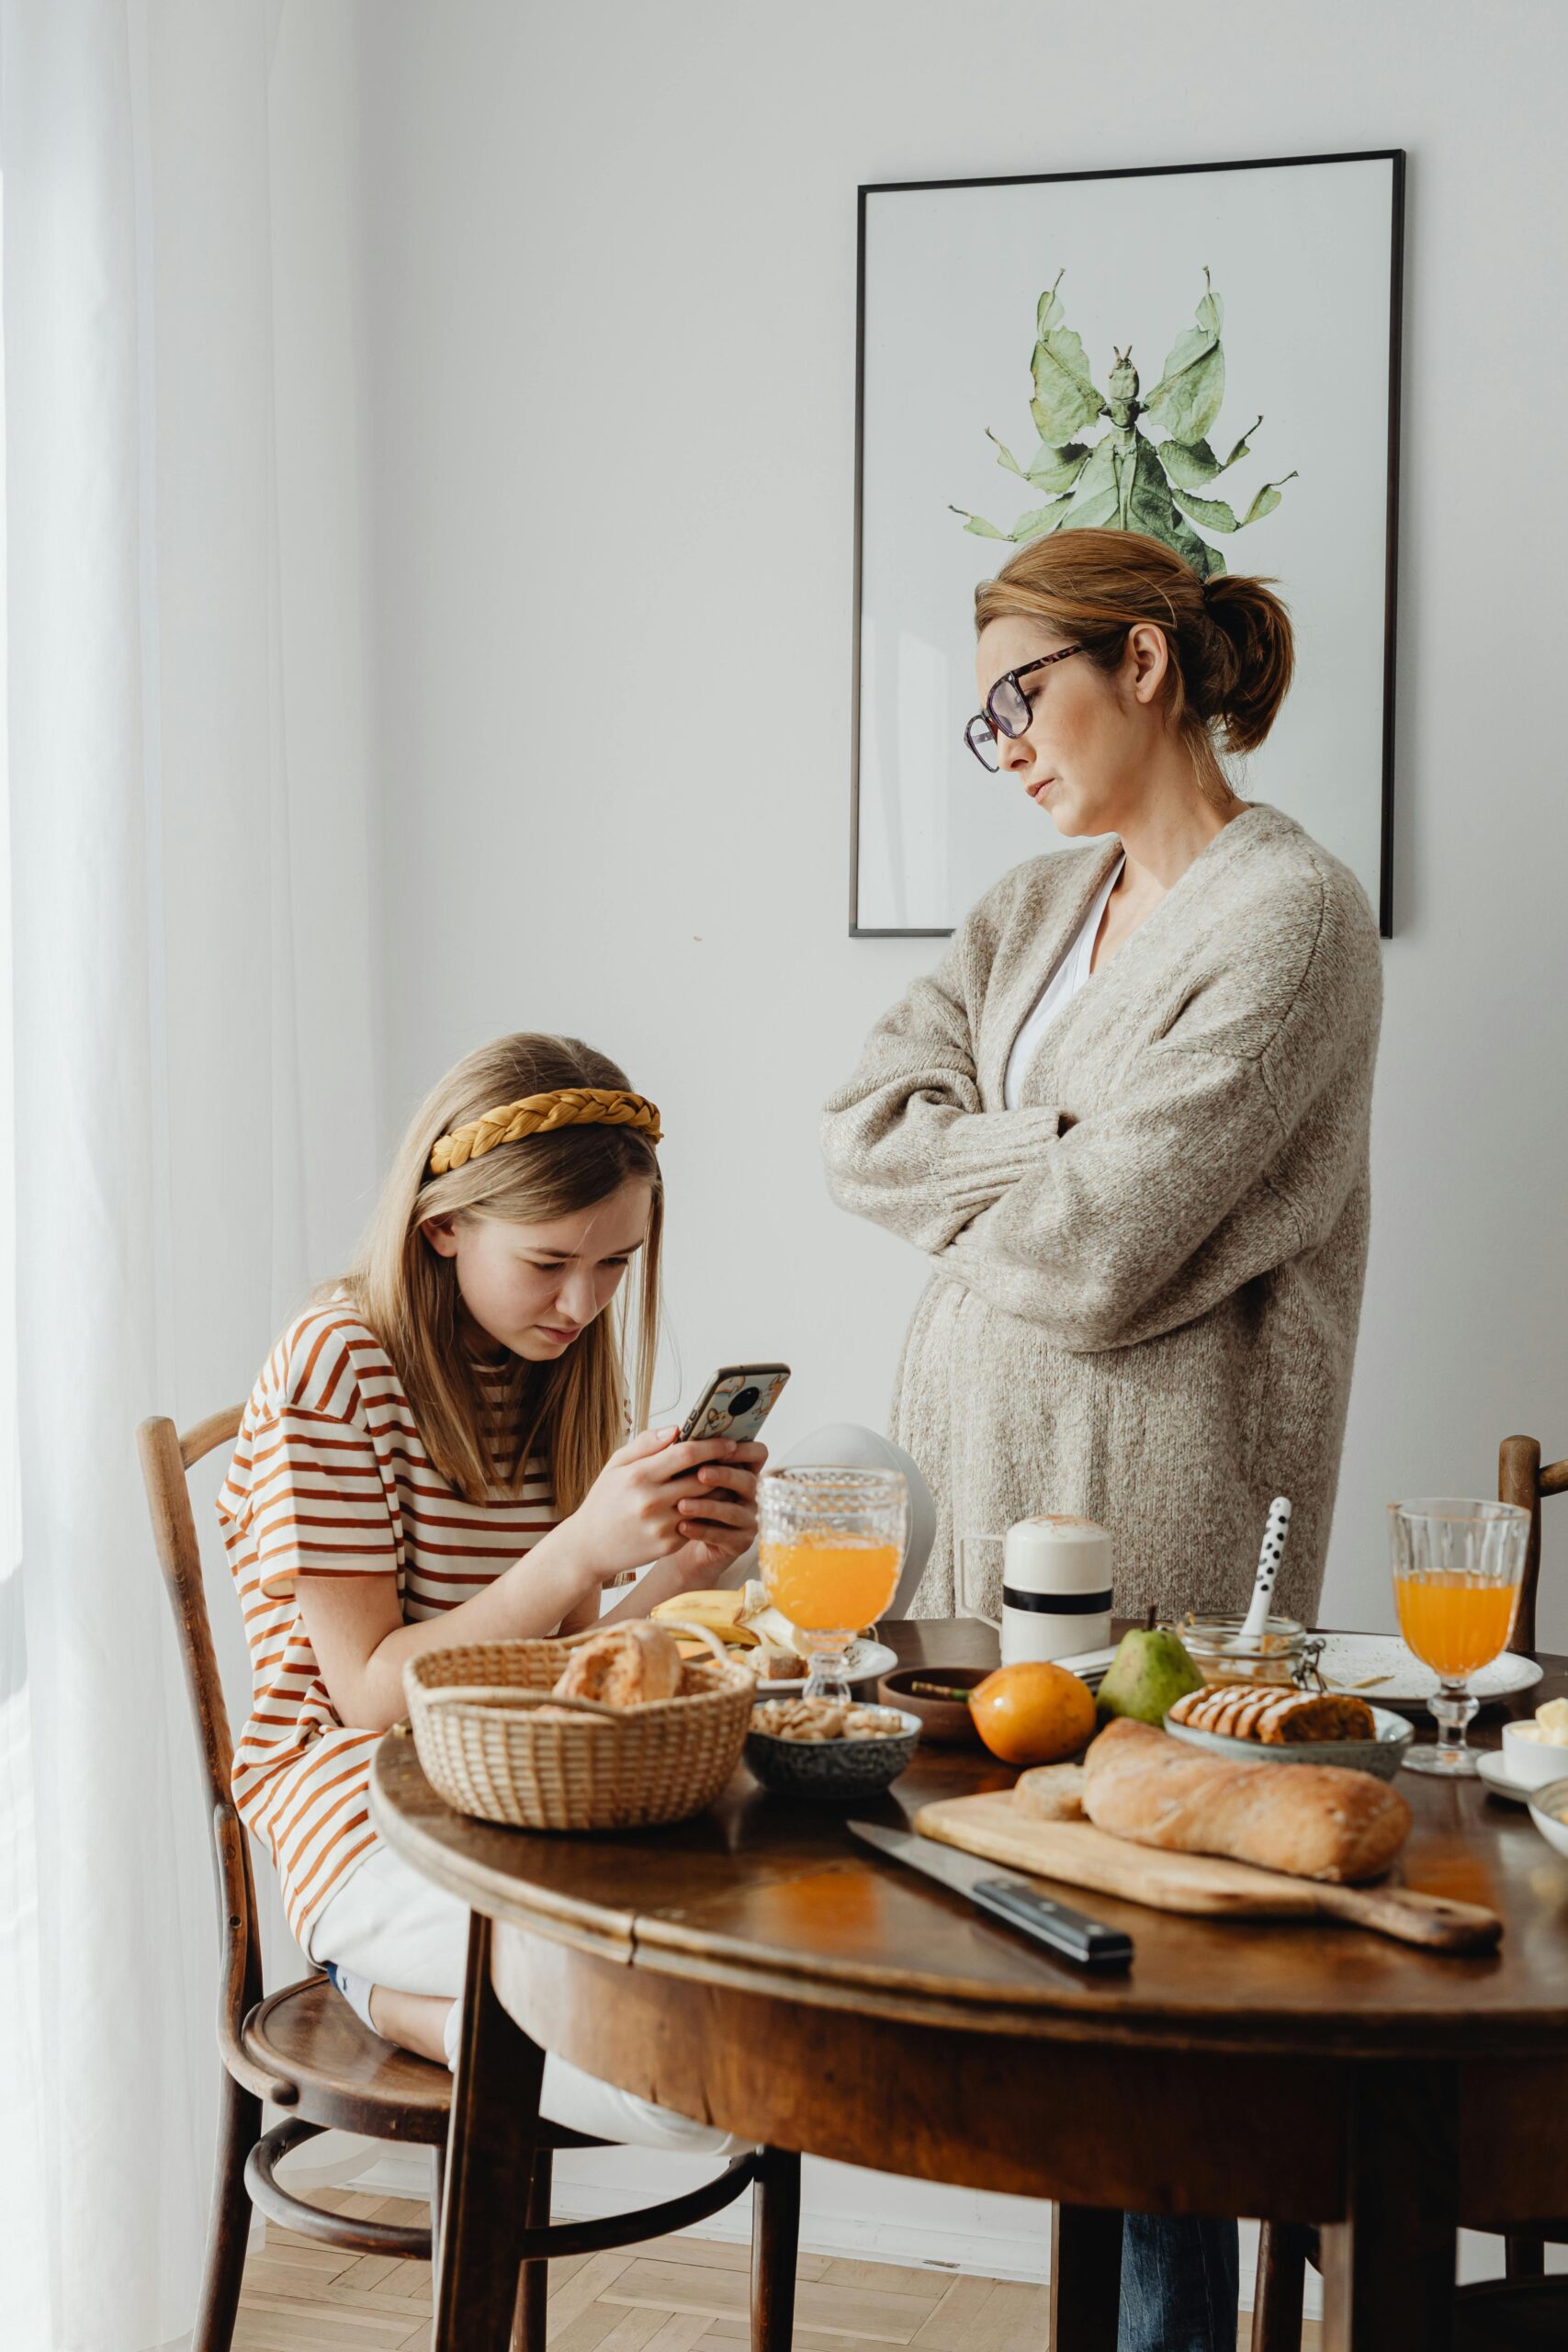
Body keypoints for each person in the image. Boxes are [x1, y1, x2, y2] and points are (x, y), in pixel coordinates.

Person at [821, 526, 1382, 2352]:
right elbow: (854, 1126)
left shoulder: (1287, 915)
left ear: (1142, 663)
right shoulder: (1024, 912)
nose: (1001, 749)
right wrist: (1052, 1136)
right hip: (978, 1505)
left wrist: (1006, 1153)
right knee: (1024, 1950)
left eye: (1021, 698)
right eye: (979, 720)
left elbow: (1101, 1245)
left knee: (1155, 1990)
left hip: (1161, 1504)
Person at [218, 1033, 762, 2150]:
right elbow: (370, 1693)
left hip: (515, 1784)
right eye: (551, 1260)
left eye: (615, 1263)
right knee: (690, 2082)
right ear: (443, 1226)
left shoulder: (555, 1370)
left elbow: (557, 1677)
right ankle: (384, 1992)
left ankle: (457, 2004)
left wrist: (683, 1570)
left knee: (747, 2017)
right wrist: (575, 1548)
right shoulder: (336, 1363)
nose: (582, 1301)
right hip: (361, 1805)